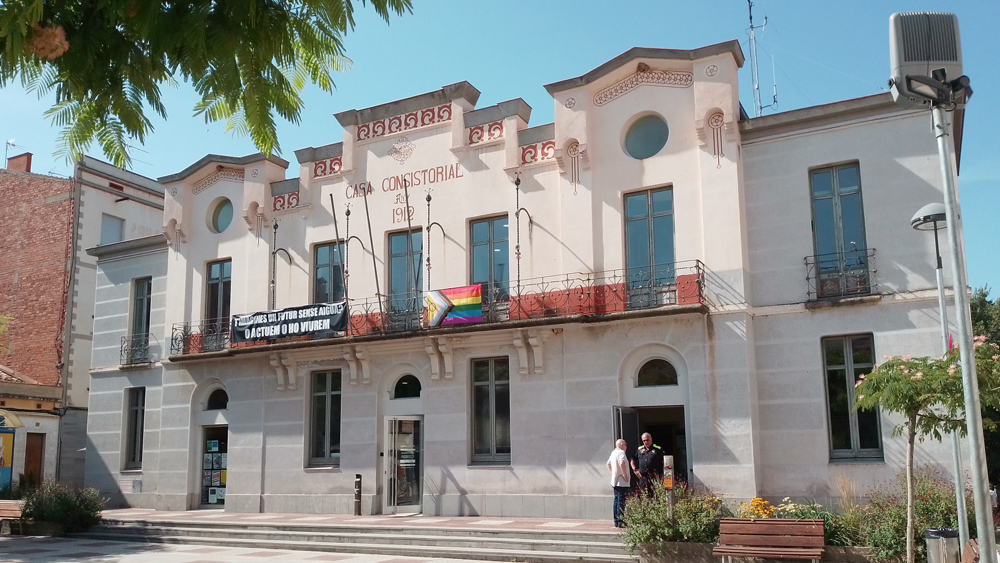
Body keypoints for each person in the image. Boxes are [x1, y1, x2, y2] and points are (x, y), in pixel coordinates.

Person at [607, 439, 630, 528]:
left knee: (616, 500)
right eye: (625, 445)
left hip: (615, 480)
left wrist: (613, 473)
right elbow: (622, 463)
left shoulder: (613, 452)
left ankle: (616, 521)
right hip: (621, 481)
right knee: (621, 501)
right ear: (621, 445)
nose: (626, 447)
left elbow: (608, 464)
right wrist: (624, 475)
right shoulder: (621, 453)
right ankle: (620, 521)